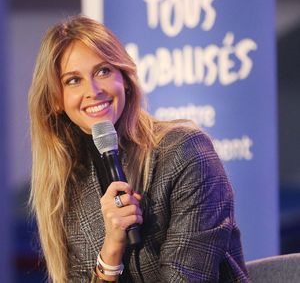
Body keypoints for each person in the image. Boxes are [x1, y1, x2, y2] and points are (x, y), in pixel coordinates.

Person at [28, 15, 249, 283]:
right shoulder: (68, 185)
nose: (93, 90)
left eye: (103, 71)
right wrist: (111, 248)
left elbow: (186, 279)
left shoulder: (186, 153)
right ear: (56, 100)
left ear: (125, 79)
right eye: (73, 80)